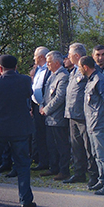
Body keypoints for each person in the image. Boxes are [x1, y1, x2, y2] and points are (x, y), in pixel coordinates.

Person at [0, 55, 37, 207]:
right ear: (16, 67)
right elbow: (28, 93)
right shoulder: (25, 80)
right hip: (19, 128)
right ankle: (25, 199)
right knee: (23, 164)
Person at [79, 56, 104, 195]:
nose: (79, 69)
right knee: (97, 154)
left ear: (85, 67)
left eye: (80, 67)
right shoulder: (91, 80)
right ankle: (102, 180)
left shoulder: (99, 80)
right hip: (92, 123)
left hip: (99, 123)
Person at [64, 43, 98, 186]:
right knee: (76, 147)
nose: (68, 57)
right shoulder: (74, 71)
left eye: (70, 54)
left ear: (77, 55)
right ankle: (79, 173)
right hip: (72, 114)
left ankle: (93, 175)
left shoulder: (87, 69)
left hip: (84, 116)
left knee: (88, 147)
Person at [39, 51, 70, 181]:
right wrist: (41, 105)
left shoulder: (63, 76)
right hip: (49, 117)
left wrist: (46, 109)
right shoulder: (52, 75)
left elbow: (59, 97)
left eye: (49, 62)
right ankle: (53, 167)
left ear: (57, 63)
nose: (47, 64)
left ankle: (64, 170)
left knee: (61, 145)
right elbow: (46, 94)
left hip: (58, 117)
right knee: (51, 144)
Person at [30, 46, 50, 171]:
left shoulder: (49, 69)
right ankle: (42, 161)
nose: (34, 59)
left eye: (35, 57)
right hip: (36, 106)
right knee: (38, 135)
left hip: (46, 107)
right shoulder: (38, 69)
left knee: (46, 136)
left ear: (41, 57)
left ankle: (48, 161)